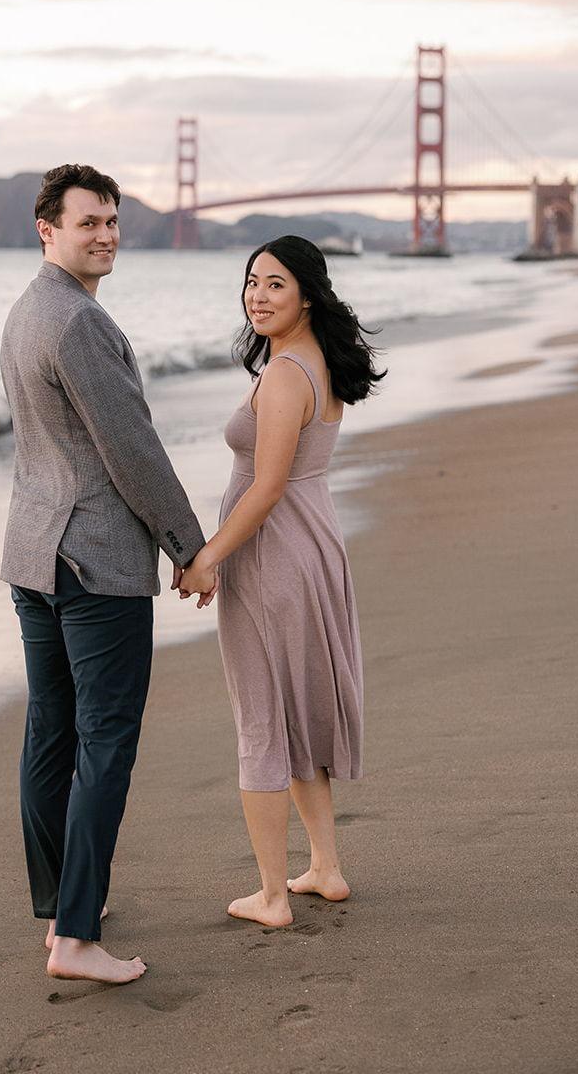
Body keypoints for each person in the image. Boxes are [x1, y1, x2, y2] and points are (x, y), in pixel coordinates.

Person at [0, 163, 209, 985]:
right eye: (89, 222)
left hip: (34, 554)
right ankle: (77, 938)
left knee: (51, 732)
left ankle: (61, 907)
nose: (107, 235)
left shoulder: (27, 311)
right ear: (47, 229)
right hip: (94, 562)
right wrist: (187, 546)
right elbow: (131, 451)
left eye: (114, 220)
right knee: (105, 741)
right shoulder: (80, 322)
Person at [178, 235, 384, 928]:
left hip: (273, 554)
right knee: (295, 710)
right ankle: (324, 867)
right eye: (252, 282)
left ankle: (271, 896)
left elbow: (265, 488)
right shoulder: (313, 361)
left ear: (308, 296)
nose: (258, 297)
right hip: (310, 543)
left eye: (275, 284)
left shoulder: (287, 373)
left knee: (263, 719)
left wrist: (209, 556)